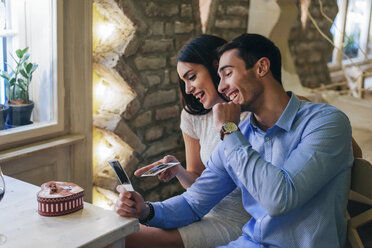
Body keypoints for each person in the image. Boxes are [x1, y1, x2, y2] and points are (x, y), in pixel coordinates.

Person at [115, 33, 355, 247]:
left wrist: (229, 130)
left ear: (261, 68)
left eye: (227, 73)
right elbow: (193, 202)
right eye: (218, 77)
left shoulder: (325, 122)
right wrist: (145, 209)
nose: (222, 87)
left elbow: (279, 199)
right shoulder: (240, 135)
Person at [125, 34, 251, 248]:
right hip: (200, 211)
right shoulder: (193, 116)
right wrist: (179, 171)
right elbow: (201, 186)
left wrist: (228, 128)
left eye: (192, 77)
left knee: (125, 239)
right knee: (121, 231)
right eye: (183, 82)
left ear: (217, 67)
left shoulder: (249, 116)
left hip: (237, 223)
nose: (187, 90)